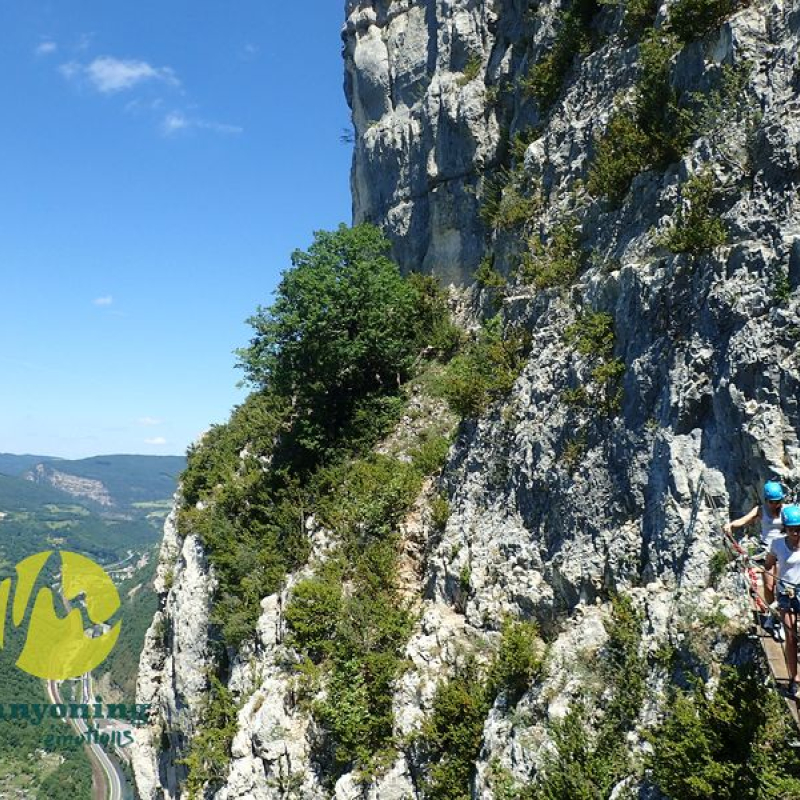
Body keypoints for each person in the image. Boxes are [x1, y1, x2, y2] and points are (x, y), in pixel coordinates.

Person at [764, 505, 800, 697]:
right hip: (786, 593)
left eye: (799, 528)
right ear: (785, 527)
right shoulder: (777, 544)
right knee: (791, 637)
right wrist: (771, 584)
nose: (795, 532)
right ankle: (794, 679)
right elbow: (769, 564)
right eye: (792, 528)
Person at [724, 479, 786, 557]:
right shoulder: (760, 510)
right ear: (766, 500)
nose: (774, 505)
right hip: (766, 547)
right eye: (771, 502)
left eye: (777, 502)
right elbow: (744, 520)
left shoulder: (786, 511)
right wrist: (731, 525)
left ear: (781, 500)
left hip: (783, 547)